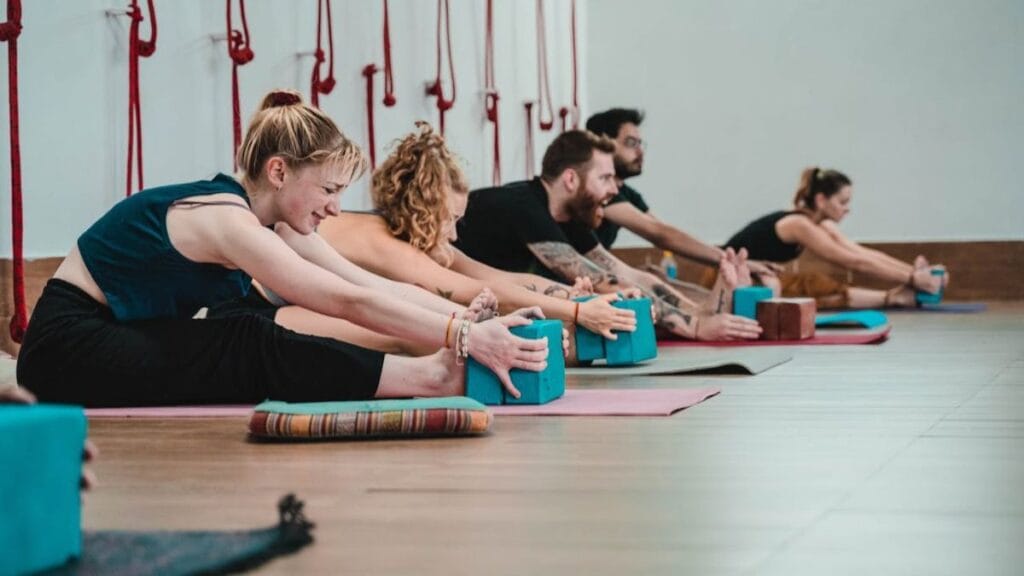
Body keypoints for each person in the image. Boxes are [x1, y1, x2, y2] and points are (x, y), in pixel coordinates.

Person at [16, 90, 548, 407]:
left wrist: (474, 322)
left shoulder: (276, 223)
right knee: (246, 340)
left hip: (120, 331)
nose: (337, 209)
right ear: (279, 172)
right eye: (329, 190)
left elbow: (370, 284)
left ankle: (435, 367)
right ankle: (430, 378)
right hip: (65, 347)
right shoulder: (227, 221)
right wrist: (464, 338)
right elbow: (344, 304)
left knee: (246, 329)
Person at [258, 122, 638, 351]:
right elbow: (461, 291)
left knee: (430, 326)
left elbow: (491, 277)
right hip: (262, 316)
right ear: (426, 213)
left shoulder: (413, 239)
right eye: (450, 219)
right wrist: (576, 312)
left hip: (301, 309)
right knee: (412, 333)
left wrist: (580, 296)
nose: (454, 233)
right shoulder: (384, 241)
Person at [454, 129, 762, 341]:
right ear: (571, 179)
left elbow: (627, 274)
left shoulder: (568, 216)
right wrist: (696, 327)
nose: (614, 189)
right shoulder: (524, 207)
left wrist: (704, 309)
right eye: (605, 178)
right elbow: (605, 283)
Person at [585, 108, 780, 296]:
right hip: (578, 285)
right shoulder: (596, 189)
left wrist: (732, 262)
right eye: (630, 143)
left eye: (640, 144)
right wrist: (729, 262)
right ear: (604, 144)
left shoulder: (627, 194)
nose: (640, 152)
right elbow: (660, 234)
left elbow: (661, 228)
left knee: (655, 277)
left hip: (596, 278)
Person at [721, 167, 947, 308]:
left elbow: (860, 253)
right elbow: (851, 262)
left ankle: (898, 296)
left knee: (808, 285)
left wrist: (914, 274)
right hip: (725, 278)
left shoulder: (821, 224)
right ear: (821, 200)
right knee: (812, 287)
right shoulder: (798, 224)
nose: (847, 209)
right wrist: (913, 280)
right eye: (842, 202)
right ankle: (894, 297)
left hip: (755, 277)